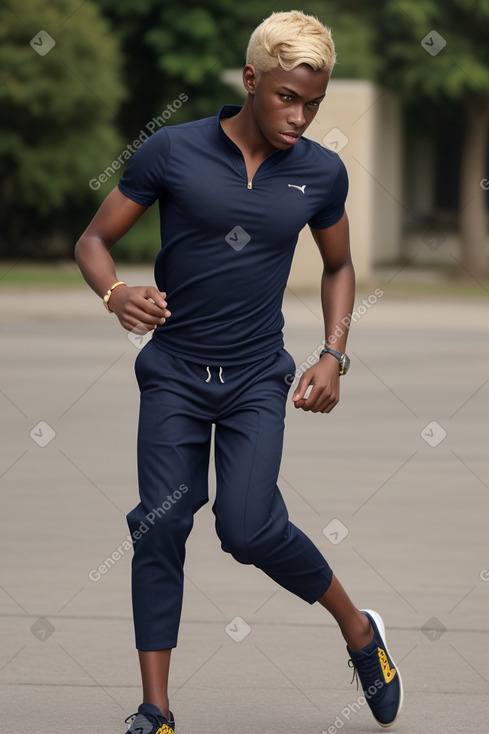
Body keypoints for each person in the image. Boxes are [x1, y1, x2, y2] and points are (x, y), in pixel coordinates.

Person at [75, 10, 402, 733]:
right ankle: (154, 711)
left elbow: (340, 266)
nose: (300, 116)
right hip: (174, 373)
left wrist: (333, 353)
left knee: (247, 528)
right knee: (158, 526)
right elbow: (94, 239)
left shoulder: (320, 171)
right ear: (251, 81)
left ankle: (356, 629)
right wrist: (116, 292)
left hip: (257, 377)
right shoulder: (172, 152)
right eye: (287, 97)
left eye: (313, 102)